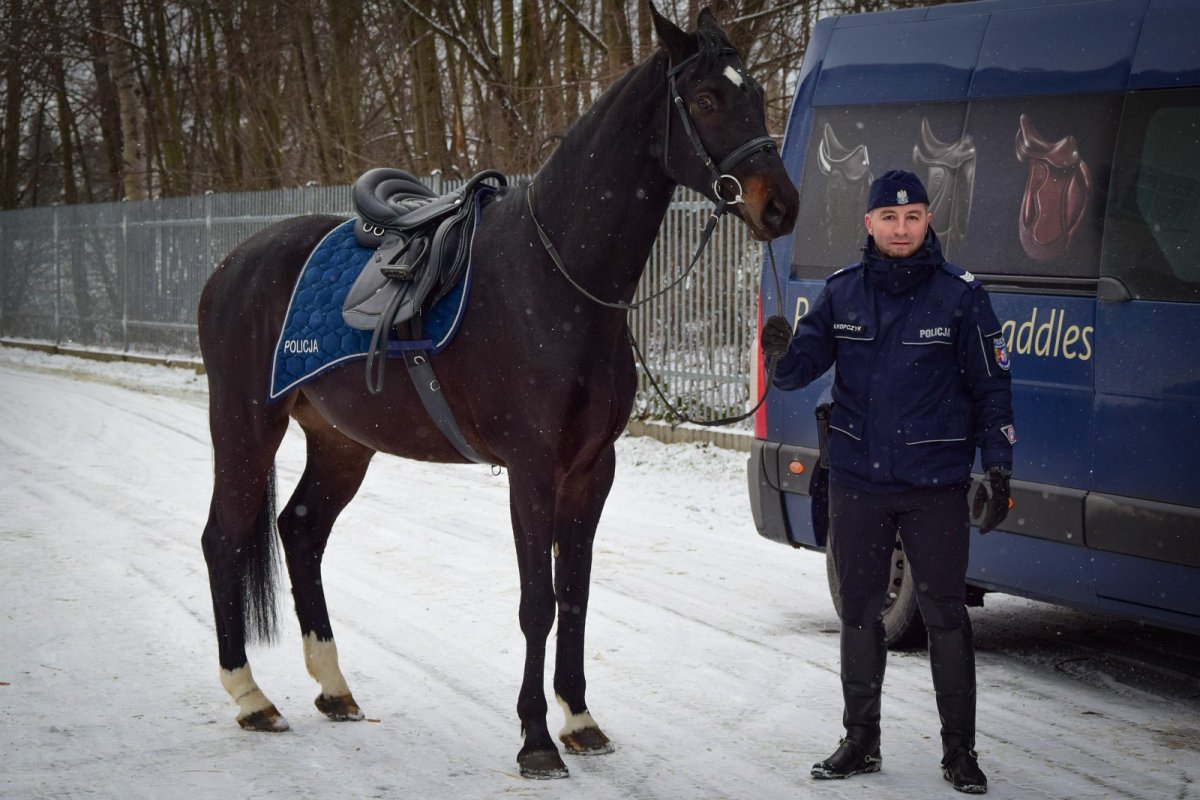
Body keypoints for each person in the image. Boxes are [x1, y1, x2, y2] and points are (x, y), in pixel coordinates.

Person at [760, 170, 1015, 794]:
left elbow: (992, 390)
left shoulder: (960, 297)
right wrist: (778, 354)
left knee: (946, 616)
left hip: (934, 486)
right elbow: (796, 374)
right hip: (857, 483)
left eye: (913, 217)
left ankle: (959, 753)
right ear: (869, 223)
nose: (901, 229)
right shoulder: (842, 293)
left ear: (928, 220)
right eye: (889, 218)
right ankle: (860, 741)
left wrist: (998, 467)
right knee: (859, 613)